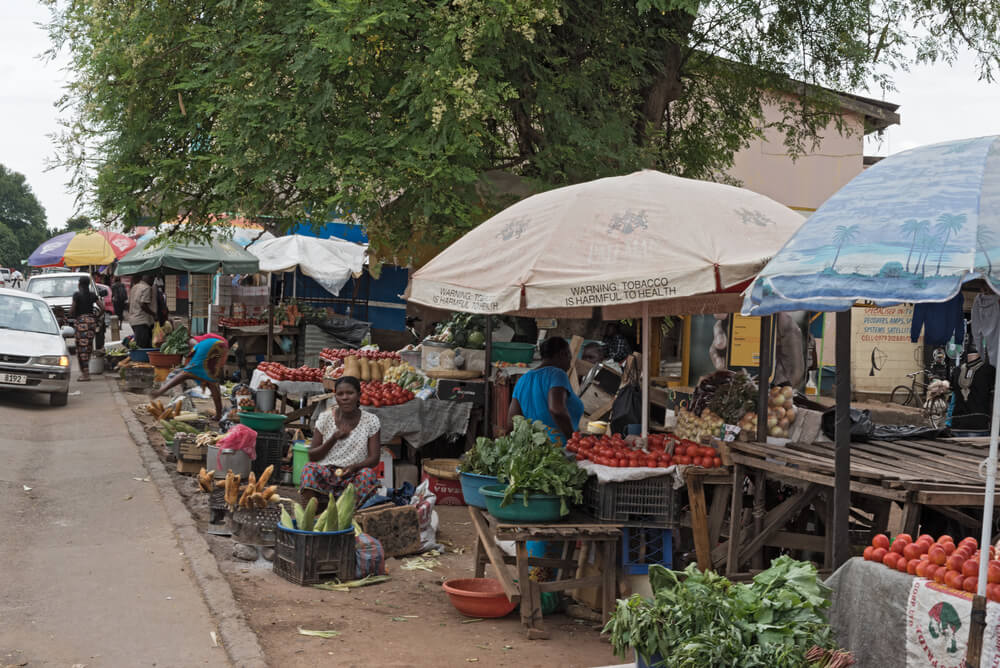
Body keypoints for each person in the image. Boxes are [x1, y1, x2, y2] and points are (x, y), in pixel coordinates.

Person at [300, 376, 381, 510]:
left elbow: (374, 458)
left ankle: (352, 515)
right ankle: (312, 515)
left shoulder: (370, 421)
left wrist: (355, 467)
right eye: (340, 394)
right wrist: (333, 438)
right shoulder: (325, 418)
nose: (345, 397)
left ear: (359, 395)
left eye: (350, 393)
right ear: (335, 396)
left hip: (355, 473)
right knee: (309, 469)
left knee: (368, 474)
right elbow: (312, 456)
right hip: (327, 473)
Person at [508, 336, 585, 444]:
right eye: (569, 357)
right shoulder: (557, 374)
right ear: (562, 354)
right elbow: (556, 409)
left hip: (536, 447)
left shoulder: (523, 380)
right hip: (560, 446)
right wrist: (572, 439)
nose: (569, 363)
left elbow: (513, 419)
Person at [151, 333, 230, 420]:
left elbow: (195, 350)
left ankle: (160, 391)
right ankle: (218, 414)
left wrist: (192, 366)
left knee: (186, 374)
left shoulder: (192, 340)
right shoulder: (203, 342)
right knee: (212, 382)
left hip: (215, 348)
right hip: (220, 349)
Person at [68, 276, 103, 382]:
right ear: (88, 284)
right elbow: (103, 307)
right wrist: (96, 317)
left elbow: (72, 310)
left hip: (81, 323)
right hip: (91, 323)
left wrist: (71, 315)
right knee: (87, 348)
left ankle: (85, 374)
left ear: (79, 284)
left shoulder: (77, 295)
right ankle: (85, 372)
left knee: (81, 349)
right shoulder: (92, 295)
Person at [128, 274, 156, 348]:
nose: (153, 281)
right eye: (152, 279)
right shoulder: (147, 288)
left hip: (133, 320)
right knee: (142, 346)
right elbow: (143, 305)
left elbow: (129, 303)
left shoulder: (134, 287)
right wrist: (154, 314)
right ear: (149, 278)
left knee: (140, 343)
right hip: (142, 321)